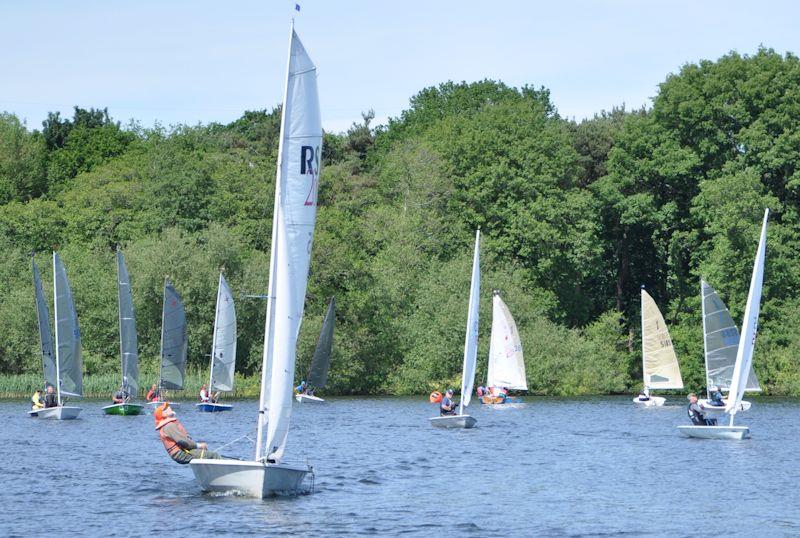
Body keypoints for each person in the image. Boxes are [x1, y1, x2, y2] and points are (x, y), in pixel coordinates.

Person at [154, 403, 221, 464]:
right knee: (213, 455)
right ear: (164, 414)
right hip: (181, 454)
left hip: (182, 452)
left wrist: (197, 447)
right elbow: (183, 441)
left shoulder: (168, 425)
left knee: (206, 454)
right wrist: (199, 446)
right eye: (166, 408)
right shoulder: (169, 426)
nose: (169, 407)